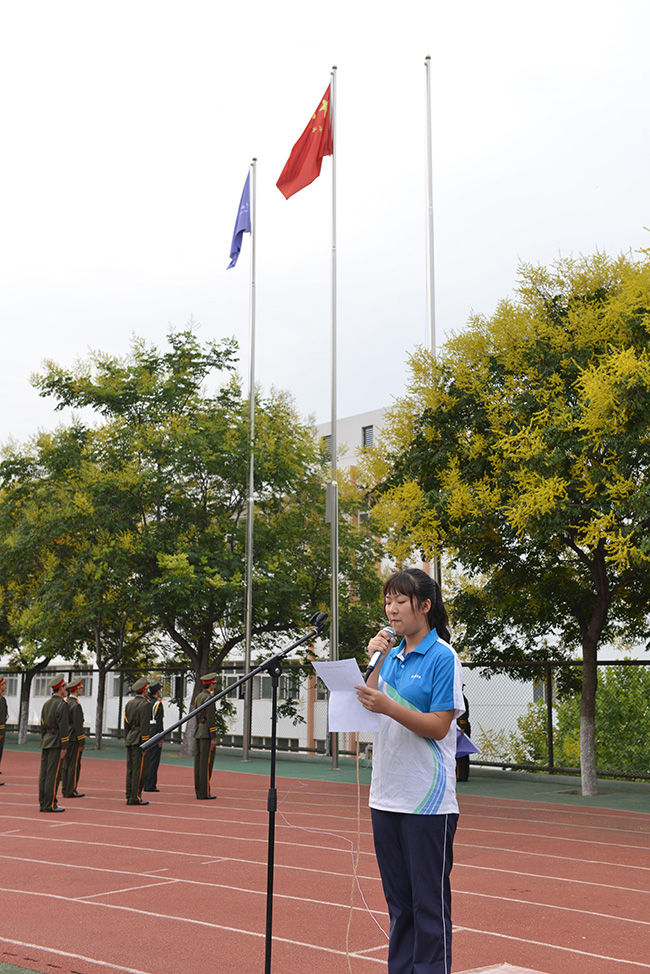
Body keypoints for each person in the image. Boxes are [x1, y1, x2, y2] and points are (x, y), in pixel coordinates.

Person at [355, 568, 464, 974]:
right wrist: (376, 658)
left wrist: (389, 706)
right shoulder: (390, 656)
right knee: (399, 905)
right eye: (388, 601)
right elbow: (366, 702)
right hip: (386, 795)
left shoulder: (442, 657)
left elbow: (439, 726)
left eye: (401, 601)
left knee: (427, 905)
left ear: (425, 605)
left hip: (427, 801)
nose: (392, 609)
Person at [39, 675, 70, 813]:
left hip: (46, 740)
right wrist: (65, 746)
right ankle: (50, 804)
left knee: (44, 774)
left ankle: (43, 801)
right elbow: (63, 727)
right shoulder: (62, 705)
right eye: (64, 686)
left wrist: (44, 739)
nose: (66, 689)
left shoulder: (46, 704)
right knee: (53, 774)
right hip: (56, 742)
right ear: (61, 688)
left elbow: (42, 725)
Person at [124, 677, 153, 806]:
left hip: (130, 738)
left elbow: (126, 724)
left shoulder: (129, 704)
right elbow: (145, 726)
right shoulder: (145, 704)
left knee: (130, 769)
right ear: (144, 690)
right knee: (139, 770)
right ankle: (135, 796)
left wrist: (127, 738)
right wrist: (145, 745)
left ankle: (129, 794)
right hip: (140, 740)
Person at [193, 672, 218, 800]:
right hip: (206, 732)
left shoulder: (198, 697)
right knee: (206, 763)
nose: (214, 686)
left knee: (198, 763)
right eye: (213, 684)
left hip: (199, 730)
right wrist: (213, 736)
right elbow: (211, 718)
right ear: (211, 685)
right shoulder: (209, 698)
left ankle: (199, 790)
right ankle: (204, 792)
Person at [61, 679, 86, 798]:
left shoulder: (65, 702)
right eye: (80, 688)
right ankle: (71, 790)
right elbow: (78, 725)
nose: (81, 690)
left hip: (66, 736)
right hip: (74, 738)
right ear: (77, 690)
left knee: (66, 764)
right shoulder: (76, 705)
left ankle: (65, 788)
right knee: (74, 765)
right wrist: (82, 741)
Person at [143, 681, 164, 792]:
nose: (160, 691)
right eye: (160, 689)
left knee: (147, 759)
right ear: (157, 691)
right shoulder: (158, 704)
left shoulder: (146, 702)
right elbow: (159, 722)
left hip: (146, 731)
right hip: (154, 732)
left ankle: (144, 782)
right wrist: (160, 736)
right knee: (154, 760)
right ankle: (150, 785)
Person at [456, 688, 471, 782]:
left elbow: (463, 715)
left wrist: (462, 727)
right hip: (457, 727)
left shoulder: (461, 698)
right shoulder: (457, 697)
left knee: (461, 751)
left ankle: (461, 775)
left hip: (461, 729)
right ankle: (458, 774)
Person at [0, 676, 7, 784]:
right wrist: (1, 732)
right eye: (4, 684)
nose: (5, 686)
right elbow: (1, 716)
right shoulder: (1, 700)